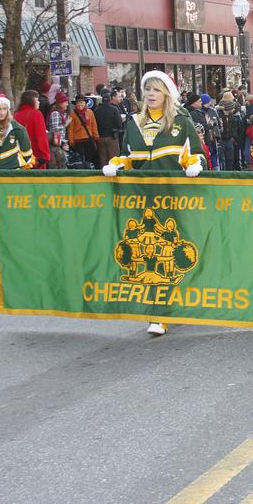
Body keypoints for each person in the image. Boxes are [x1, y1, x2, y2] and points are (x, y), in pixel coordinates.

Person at [104, 70, 206, 338]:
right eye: (147, 89)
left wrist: (195, 164)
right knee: (150, 254)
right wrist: (115, 165)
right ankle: (158, 313)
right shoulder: (133, 123)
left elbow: (195, 154)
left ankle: (177, 302)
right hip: (141, 199)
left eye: (156, 89)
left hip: (175, 198)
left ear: (167, 94)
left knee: (177, 252)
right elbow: (128, 157)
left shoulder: (181, 122)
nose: (150, 94)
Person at [0, 94, 34, 170]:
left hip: (14, 169)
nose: (2, 112)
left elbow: (26, 151)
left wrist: (21, 164)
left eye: (4, 109)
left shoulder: (17, 128)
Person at [14, 90, 51, 169]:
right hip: (35, 157)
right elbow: (41, 137)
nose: (39, 102)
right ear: (32, 101)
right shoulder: (36, 114)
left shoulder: (16, 115)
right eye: (37, 100)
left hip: (19, 158)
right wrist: (45, 156)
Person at [93, 88, 123, 167]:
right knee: (113, 158)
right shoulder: (114, 109)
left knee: (103, 158)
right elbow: (119, 124)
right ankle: (113, 176)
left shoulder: (96, 110)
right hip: (112, 137)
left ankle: (104, 176)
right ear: (110, 100)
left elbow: (95, 123)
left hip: (100, 137)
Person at [66, 93, 98, 165]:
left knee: (89, 159)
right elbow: (70, 129)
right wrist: (71, 141)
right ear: (75, 104)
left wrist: (96, 137)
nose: (80, 104)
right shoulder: (72, 115)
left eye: (82, 102)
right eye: (78, 103)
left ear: (85, 103)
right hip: (78, 141)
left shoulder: (90, 112)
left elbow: (94, 125)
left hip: (89, 139)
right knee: (80, 159)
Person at [216, 93, 241, 170]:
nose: (234, 110)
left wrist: (233, 137)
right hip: (221, 140)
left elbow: (234, 128)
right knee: (222, 159)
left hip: (229, 140)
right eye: (233, 108)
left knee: (230, 159)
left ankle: (229, 172)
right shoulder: (219, 116)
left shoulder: (231, 117)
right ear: (229, 108)